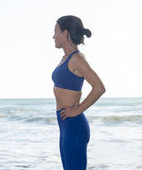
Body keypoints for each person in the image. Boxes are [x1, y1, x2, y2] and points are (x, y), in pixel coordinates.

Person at [52, 15, 106, 170]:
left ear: (65, 33)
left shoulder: (77, 59)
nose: (53, 36)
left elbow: (99, 87)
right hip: (65, 124)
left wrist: (78, 110)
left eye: (56, 31)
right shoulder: (65, 58)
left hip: (74, 124)